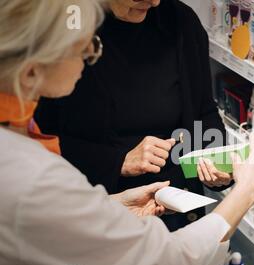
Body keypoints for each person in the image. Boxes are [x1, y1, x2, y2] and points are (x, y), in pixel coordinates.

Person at [0, 0, 254, 265]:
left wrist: (113, 206)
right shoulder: (33, 176)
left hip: (155, 205)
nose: (91, 54)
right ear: (32, 71)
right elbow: (171, 262)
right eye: (82, 48)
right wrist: (245, 191)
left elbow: (60, 220)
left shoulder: (179, 21)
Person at [35, 0, 232, 231]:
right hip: (98, 209)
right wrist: (119, 161)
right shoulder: (66, 28)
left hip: (177, 207)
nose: (155, 1)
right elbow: (40, 139)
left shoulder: (180, 21)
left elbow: (203, 111)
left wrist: (217, 163)